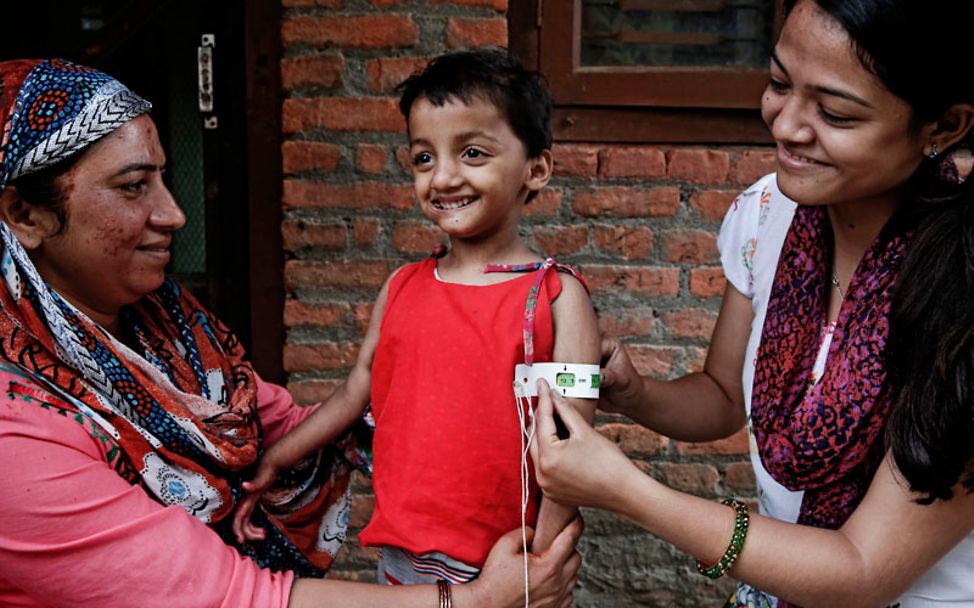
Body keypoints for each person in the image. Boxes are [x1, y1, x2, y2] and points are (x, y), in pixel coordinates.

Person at [0, 58, 582, 608]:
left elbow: (307, 420)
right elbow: (232, 596)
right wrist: (480, 600)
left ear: (537, 168)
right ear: (25, 215)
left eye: (473, 151)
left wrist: (532, 549)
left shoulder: (164, 332)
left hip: (490, 545)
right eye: (133, 186)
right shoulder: (14, 433)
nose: (174, 214)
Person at [531, 0, 974, 606]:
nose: (787, 125)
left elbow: (863, 571)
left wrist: (628, 491)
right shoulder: (770, 216)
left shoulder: (962, 292)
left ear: (944, 126)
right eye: (777, 83)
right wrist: (633, 392)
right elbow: (723, 396)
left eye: (835, 112)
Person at [233, 49, 601, 587]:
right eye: (423, 158)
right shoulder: (403, 286)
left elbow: (572, 447)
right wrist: (277, 459)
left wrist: (537, 568)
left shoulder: (554, 298)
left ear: (536, 169)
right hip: (402, 562)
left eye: (472, 152)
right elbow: (356, 389)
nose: (443, 177)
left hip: (506, 563)